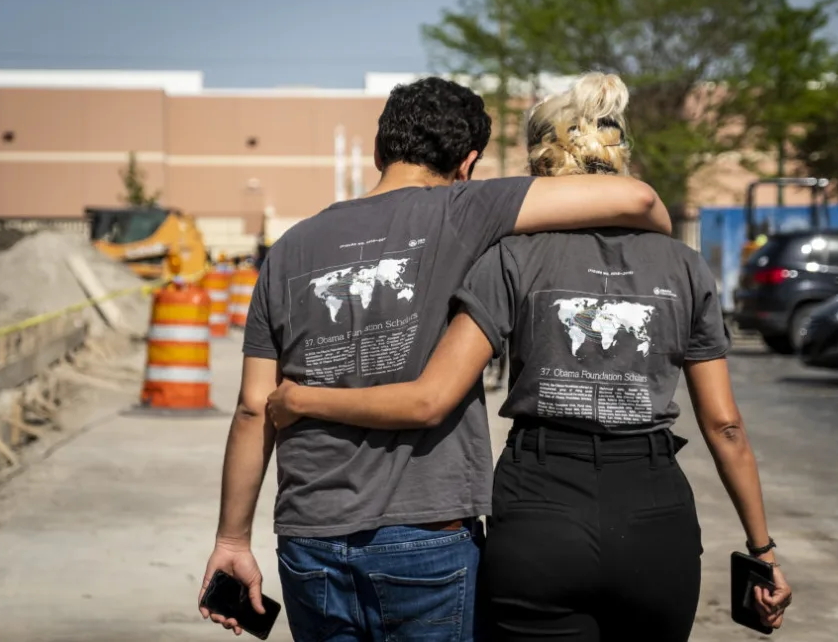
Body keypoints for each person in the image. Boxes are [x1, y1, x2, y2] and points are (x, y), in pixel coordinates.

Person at [266, 73, 792, 641]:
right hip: (653, 509)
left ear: (541, 159)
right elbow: (726, 425)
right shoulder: (685, 266)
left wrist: (301, 399)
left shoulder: (508, 258)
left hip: (539, 507)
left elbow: (433, 395)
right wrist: (761, 549)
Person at [198, 76, 674, 641]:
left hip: (309, 537)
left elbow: (256, 408)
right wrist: (662, 248)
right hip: (427, 538)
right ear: (468, 163)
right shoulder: (465, 208)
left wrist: (232, 541)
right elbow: (638, 198)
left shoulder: (290, 249)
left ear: (379, 151)